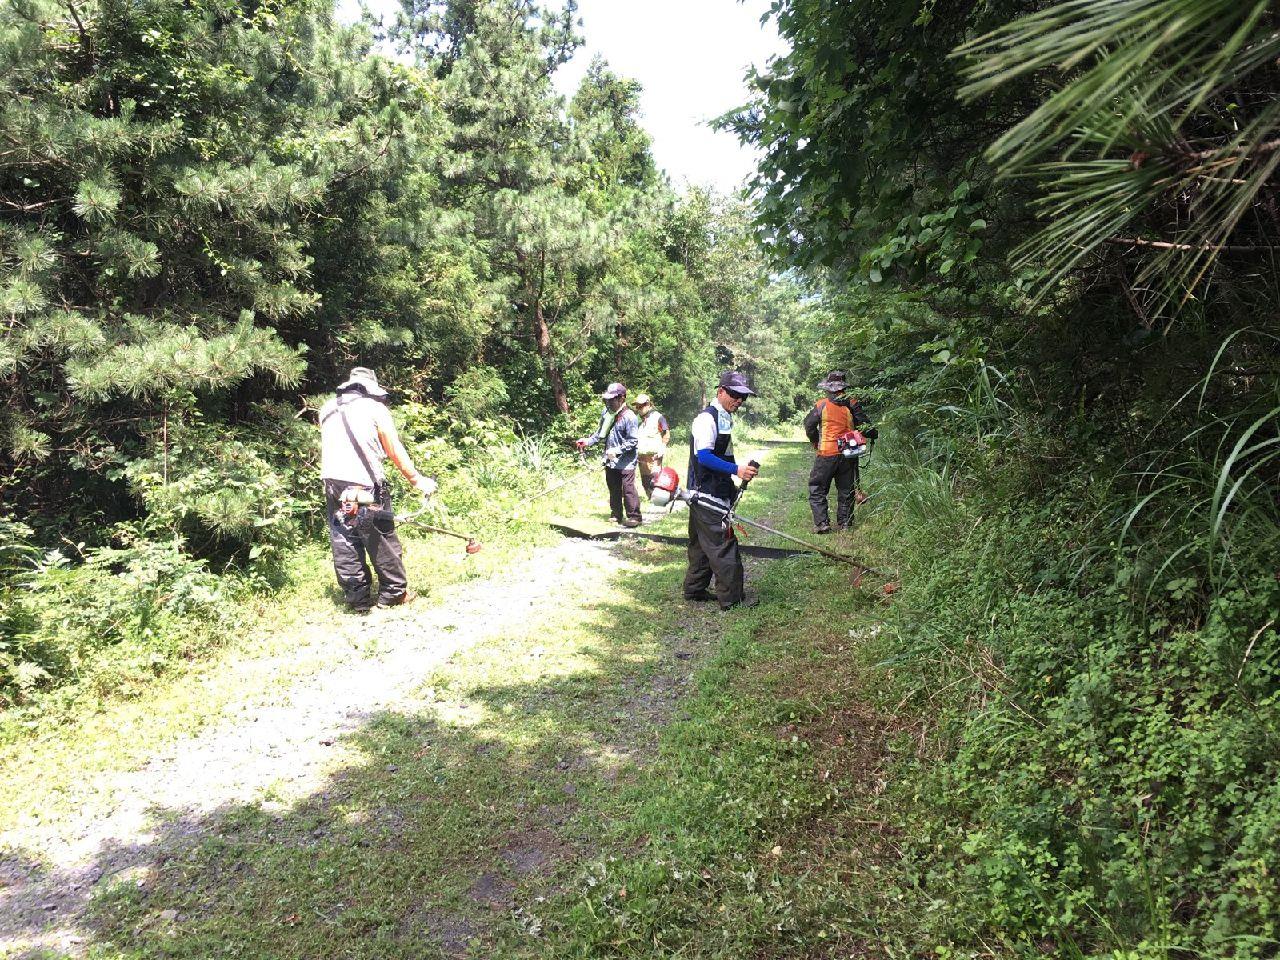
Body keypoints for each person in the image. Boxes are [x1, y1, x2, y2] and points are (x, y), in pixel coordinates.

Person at [319, 367, 436, 613]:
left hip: (333, 486)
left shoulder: (326, 409)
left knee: (344, 540)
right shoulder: (374, 409)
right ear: (369, 389)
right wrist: (417, 480)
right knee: (380, 537)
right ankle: (393, 593)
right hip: (364, 485)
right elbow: (394, 449)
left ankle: (357, 599)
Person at [683, 370, 760, 611]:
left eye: (743, 397)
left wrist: (731, 485)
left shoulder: (723, 417)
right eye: (735, 395)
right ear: (721, 391)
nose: (739, 400)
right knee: (724, 545)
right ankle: (732, 599)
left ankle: (694, 589)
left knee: (700, 545)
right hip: (706, 495)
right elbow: (704, 457)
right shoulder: (707, 419)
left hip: (711, 492)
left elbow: (721, 455)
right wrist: (737, 470)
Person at [803, 370, 877, 534]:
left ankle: (822, 524)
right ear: (844, 387)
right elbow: (866, 427)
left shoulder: (821, 404)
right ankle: (845, 523)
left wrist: (815, 441)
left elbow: (808, 425)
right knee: (846, 490)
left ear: (828, 388)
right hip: (848, 454)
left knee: (817, 487)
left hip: (826, 453)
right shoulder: (852, 403)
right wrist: (873, 435)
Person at [576, 382, 641, 527]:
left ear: (622, 398)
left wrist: (616, 450)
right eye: (607, 399)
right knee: (613, 487)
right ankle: (616, 515)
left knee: (628, 488)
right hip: (610, 460)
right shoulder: (606, 413)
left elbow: (633, 441)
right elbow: (600, 433)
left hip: (626, 461)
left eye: (612, 399)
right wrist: (587, 441)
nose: (609, 402)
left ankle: (634, 517)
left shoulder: (630, 417)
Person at [634, 393, 671, 498]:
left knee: (655, 480)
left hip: (654, 456)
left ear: (648, 404)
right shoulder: (638, 420)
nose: (638, 409)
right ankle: (651, 499)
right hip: (641, 457)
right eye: (637, 406)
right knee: (645, 481)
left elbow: (666, 433)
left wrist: (662, 448)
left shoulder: (658, 417)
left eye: (640, 406)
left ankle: (660, 501)